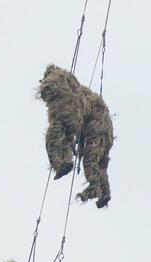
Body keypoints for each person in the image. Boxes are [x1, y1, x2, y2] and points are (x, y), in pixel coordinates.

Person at [38, 64, 114, 208]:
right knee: (98, 161)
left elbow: (69, 121)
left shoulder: (62, 87)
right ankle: (103, 191)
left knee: (57, 136)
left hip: (93, 121)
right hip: (102, 124)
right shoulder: (82, 93)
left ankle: (62, 163)